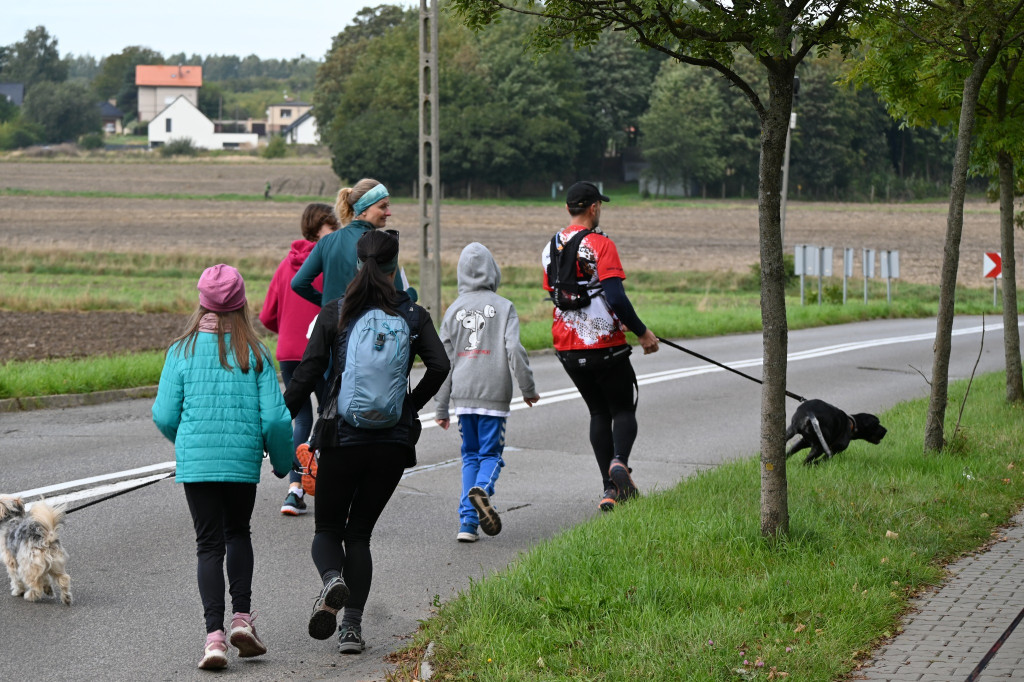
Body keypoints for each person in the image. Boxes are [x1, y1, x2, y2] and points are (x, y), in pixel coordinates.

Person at [283, 230, 449, 655]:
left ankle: (331, 581)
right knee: (359, 535)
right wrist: (409, 406)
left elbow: (306, 374)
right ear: (395, 266)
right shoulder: (413, 315)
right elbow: (440, 365)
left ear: (358, 265)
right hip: (391, 443)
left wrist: (278, 419)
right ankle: (352, 630)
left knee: (326, 529)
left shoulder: (336, 313)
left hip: (341, 437)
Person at [151, 264, 293, 671]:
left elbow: (163, 414)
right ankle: (242, 620)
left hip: (197, 465)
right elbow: (277, 421)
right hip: (241, 464)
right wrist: (282, 464)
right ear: (241, 302)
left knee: (208, 545)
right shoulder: (257, 353)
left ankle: (214, 639)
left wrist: (189, 441)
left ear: (202, 303)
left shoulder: (181, 351)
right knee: (237, 533)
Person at [541, 181, 659, 512]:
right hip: (604, 344)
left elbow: (553, 289)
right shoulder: (600, 245)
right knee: (622, 408)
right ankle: (619, 463)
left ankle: (611, 490)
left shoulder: (550, 248)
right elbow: (616, 296)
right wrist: (642, 332)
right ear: (594, 207)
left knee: (597, 412)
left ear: (568, 209)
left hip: (566, 346)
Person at [434, 242, 540, 543]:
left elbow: (444, 363)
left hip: (464, 395)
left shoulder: (452, 310)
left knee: (469, 455)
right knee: (491, 454)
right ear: (493, 271)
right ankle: (483, 489)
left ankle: (467, 524)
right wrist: (527, 388)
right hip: (494, 394)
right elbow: (514, 350)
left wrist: (441, 408)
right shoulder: (505, 307)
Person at [260, 203, 340, 516]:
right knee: (330, 416)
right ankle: (329, 486)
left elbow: (267, 315)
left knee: (302, 418)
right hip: (320, 351)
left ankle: (294, 490)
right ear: (325, 227)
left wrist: (288, 330)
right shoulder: (329, 264)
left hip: (288, 352)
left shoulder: (285, 265)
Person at [290, 178, 415, 306]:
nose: (388, 213)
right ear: (364, 209)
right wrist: (411, 294)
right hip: (367, 324)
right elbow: (398, 297)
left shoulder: (326, 242)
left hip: (331, 324)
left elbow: (298, 283)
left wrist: (328, 305)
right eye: (382, 206)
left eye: (387, 206)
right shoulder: (382, 244)